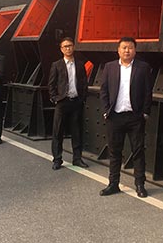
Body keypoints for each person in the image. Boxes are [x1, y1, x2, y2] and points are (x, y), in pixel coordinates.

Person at [99, 37, 152, 198]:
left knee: (138, 151)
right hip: (115, 116)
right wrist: (106, 110)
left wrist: (145, 112)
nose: (127, 50)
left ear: (135, 50)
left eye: (130, 47)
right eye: (124, 47)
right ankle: (113, 184)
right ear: (118, 50)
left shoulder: (143, 68)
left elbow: (147, 92)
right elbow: (104, 90)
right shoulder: (110, 67)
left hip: (135, 116)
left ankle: (140, 185)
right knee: (114, 152)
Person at [48, 37, 89, 170]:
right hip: (62, 102)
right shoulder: (56, 65)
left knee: (77, 131)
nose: (68, 48)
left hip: (76, 101)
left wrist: (83, 98)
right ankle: (57, 159)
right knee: (58, 131)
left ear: (74, 47)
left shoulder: (80, 64)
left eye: (70, 45)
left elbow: (84, 82)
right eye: (65, 46)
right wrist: (55, 98)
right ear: (61, 49)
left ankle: (77, 158)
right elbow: (51, 84)